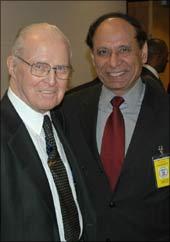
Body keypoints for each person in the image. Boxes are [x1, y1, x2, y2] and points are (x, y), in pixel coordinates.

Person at [58, 12, 170, 241]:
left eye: (124, 50)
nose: (113, 62)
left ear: (144, 52)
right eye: (103, 52)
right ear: (92, 57)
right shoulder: (66, 110)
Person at [1, 23, 96, 241]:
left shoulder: (63, 121)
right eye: (40, 67)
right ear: (12, 66)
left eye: (61, 69)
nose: (52, 80)